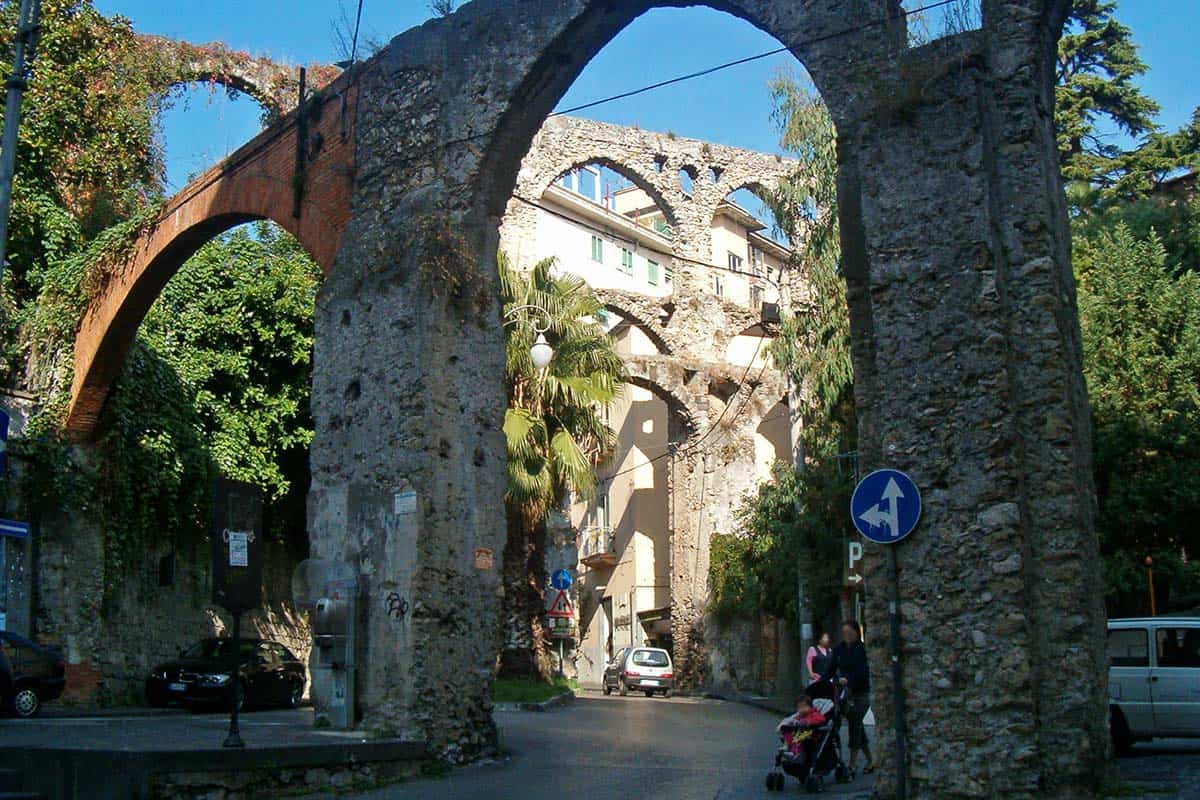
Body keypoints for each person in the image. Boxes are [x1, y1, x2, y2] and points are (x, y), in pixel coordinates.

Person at [831, 619, 874, 777]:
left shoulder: (862, 650)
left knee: (855, 724)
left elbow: (863, 672)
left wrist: (849, 679)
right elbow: (831, 668)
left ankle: (852, 764)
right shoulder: (839, 650)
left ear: (856, 632)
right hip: (845, 694)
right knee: (856, 725)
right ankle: (870, 760)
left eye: (850, 633)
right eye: (845, 633)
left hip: (860, 693)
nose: (847, 636)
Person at [776, 693, 827, 760]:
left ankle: (795, 753)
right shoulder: (799, 716)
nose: (802, 709)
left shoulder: (814, 714)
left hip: (810, 733)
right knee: (788, 732)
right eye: (799, 708)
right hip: (799, 731)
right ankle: (786, 747)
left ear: (810, 706)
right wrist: (792, 723)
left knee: (798, 739)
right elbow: (794, 721)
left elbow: (821, 719)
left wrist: (808, 722)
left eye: (804, 707)